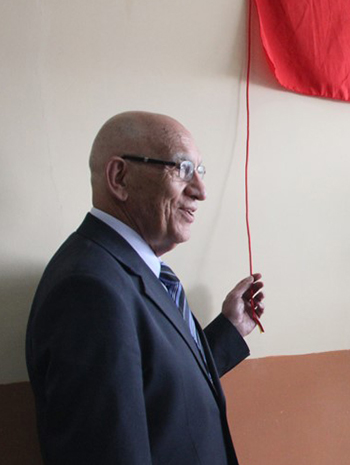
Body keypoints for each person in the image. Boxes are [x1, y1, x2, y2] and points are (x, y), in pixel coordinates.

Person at [26, 111, 265, 465]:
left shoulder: (127, 270)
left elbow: (157, 386)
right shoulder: (89, 290)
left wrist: (230, 329)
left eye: (200, 170)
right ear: (119, 177)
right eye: (182, 168)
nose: (200, 191)